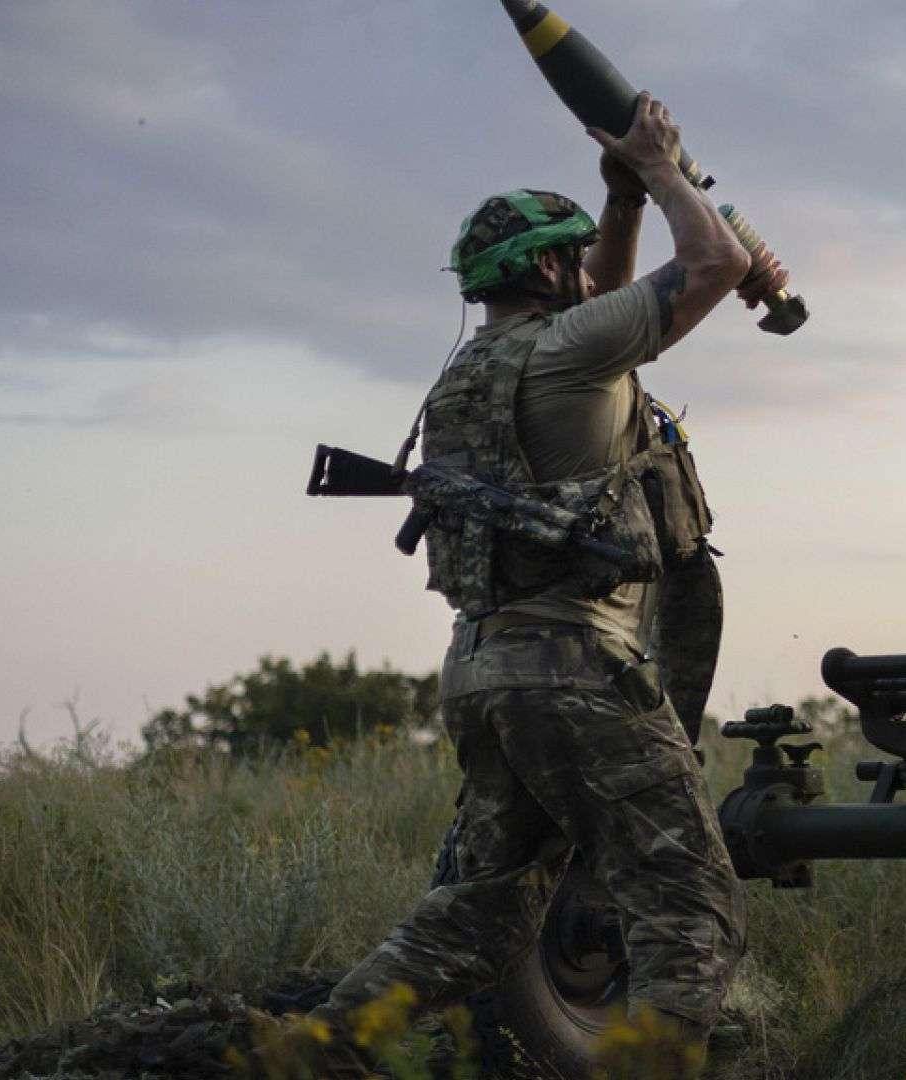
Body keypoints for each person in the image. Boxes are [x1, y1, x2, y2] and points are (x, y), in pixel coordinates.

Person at [297, 92, 787, 1069]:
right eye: (575, 261)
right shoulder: (571, 353)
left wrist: (623, 199)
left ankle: (305, 1054)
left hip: (486, 670)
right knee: (692, 911)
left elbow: (608, 292)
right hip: (580, 673)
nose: (589, 275)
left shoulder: (474, 371)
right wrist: (662, 167)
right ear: (549, 271)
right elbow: (716, 265)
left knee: (481, 915)